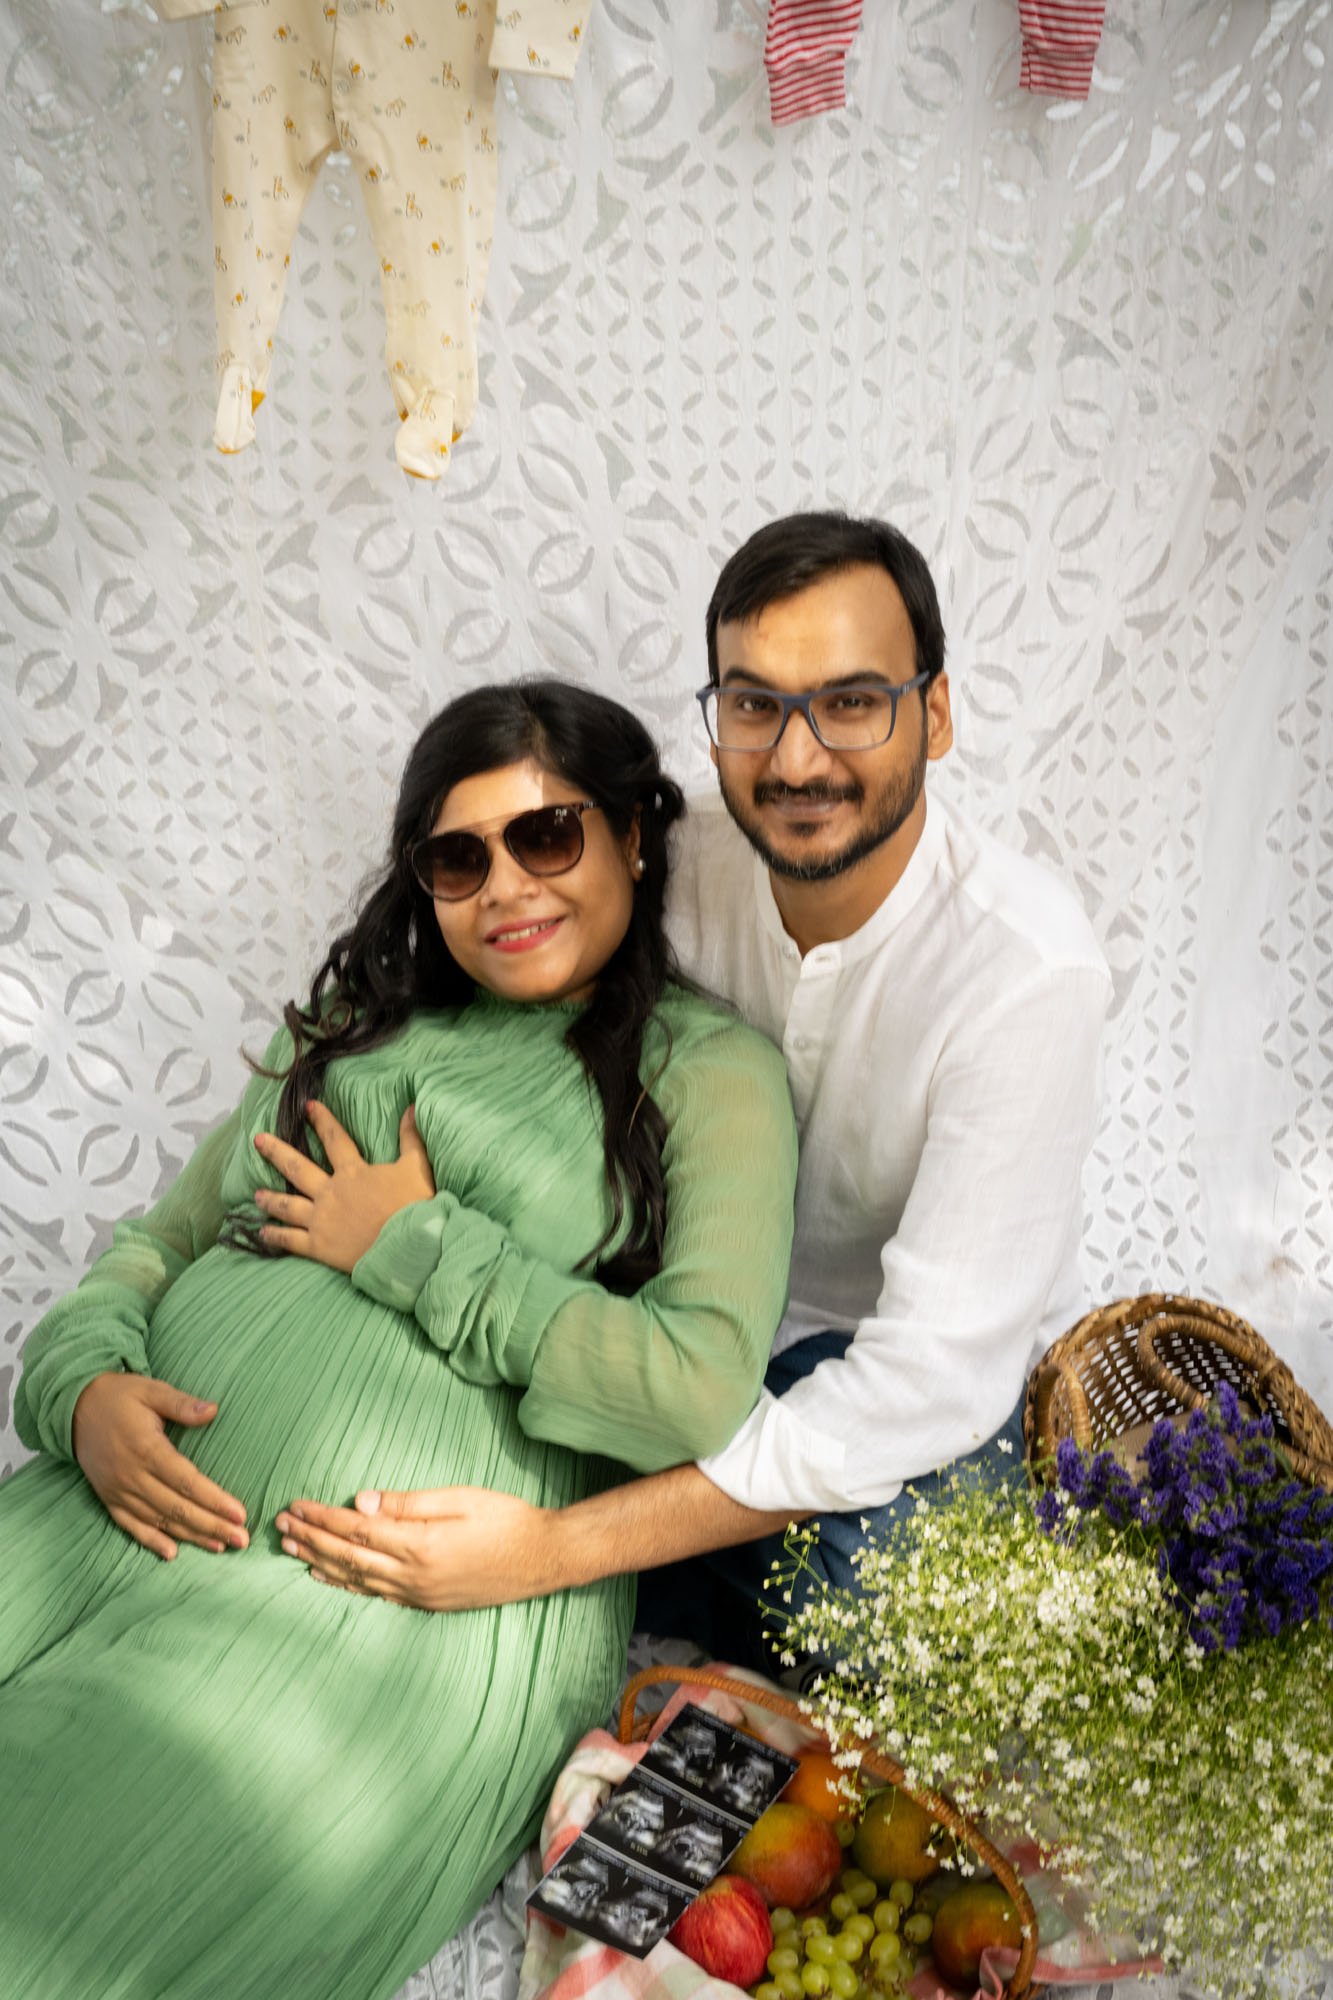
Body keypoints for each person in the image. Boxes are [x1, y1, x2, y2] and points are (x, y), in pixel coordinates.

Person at [0, 680, 798, 1999]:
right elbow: (161, 1240)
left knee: (48, 1894)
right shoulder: (358, 1023)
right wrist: (82, 1390)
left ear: (631, 837)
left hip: (374, 1597)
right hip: (104, 1507)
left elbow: (692, 1388)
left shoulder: (710, 1071)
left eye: (546, 834)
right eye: (458, 857)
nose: (505, 886)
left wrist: (413, 1244)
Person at [273, 512, 1111, 1671]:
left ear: (937, 712)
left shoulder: (1026, 971)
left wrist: (555, 1547)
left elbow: (922, 1380)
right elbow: (498, 993)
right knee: (408, 1461)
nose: (797, 759)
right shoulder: (668, 860)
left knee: (883, 1597)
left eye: (851, 701)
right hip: (658, 1326)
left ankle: (628, 1592)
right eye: (755, 703)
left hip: (877, 1383)